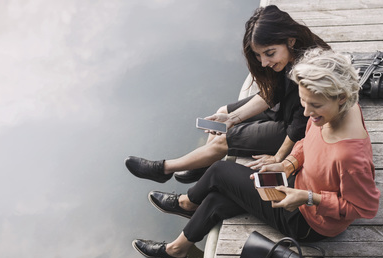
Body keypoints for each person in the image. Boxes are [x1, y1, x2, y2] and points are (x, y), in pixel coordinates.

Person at [132, 48, 381, 258]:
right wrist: (288, 163)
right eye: (303, 102)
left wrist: (307, 197)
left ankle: (187, 206)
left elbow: (364, 208)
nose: (306, 113)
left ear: (340, 96)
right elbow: (307, 142)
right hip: (296, 183)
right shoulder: (340, 110)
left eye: (314, 105)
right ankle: (177, 251)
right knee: (218, 198)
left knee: (220, 172)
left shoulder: (349, 156)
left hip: (307, 220)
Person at [125, 5, 331, 184]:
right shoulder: (288, 56)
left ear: (290, 41)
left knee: (224, 140)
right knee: (224, 113)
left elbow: (298, 127)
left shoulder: (308, 73)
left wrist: (279, 157)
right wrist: (233, 117)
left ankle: (164, 169)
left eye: (269, 53)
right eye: (259, 56)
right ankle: (204, 163)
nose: (263, 63)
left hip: (298, 131)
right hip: (286, 109)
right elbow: (273, 94)